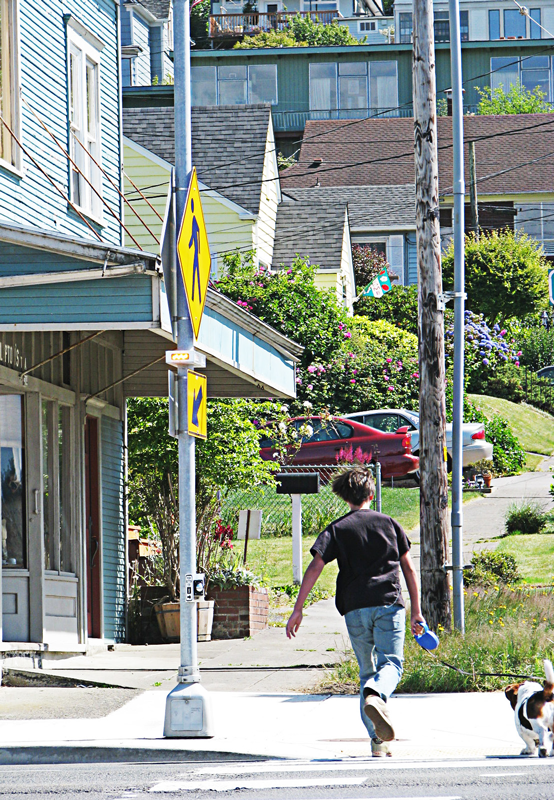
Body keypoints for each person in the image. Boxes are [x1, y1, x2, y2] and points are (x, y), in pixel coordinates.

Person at [286, 466, 425, 758]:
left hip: (354, 609)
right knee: (391, 665)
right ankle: (377, 695)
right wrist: (417, 611)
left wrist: (298, 609)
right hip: (388, 603)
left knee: (367, 672)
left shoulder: (338, 529)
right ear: (371, 494)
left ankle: (378, 741)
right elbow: (409, 568)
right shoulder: (389, 523)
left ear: (345, 498)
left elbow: (315, 567)